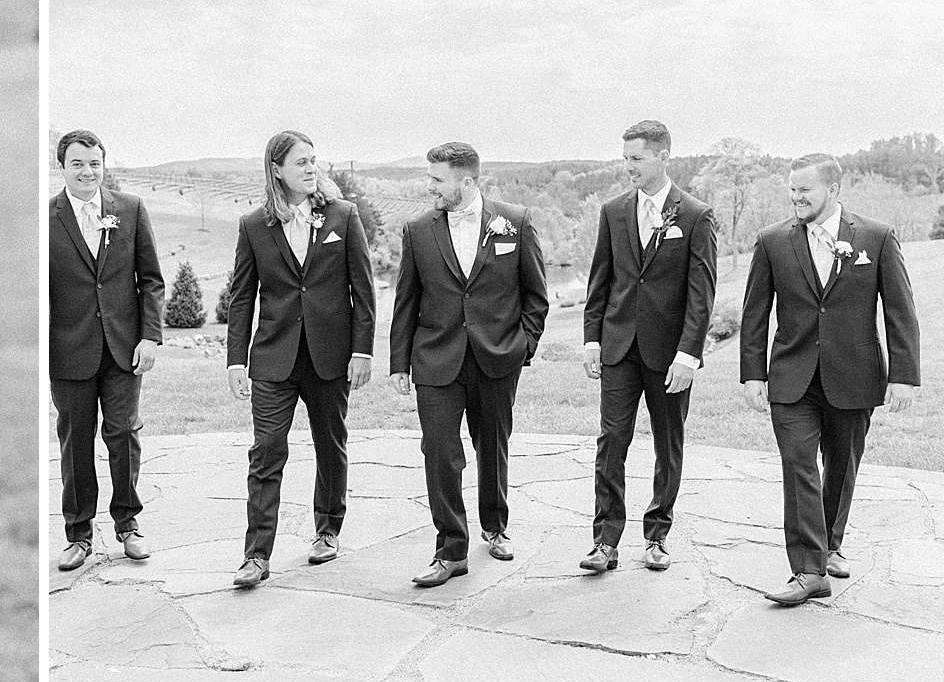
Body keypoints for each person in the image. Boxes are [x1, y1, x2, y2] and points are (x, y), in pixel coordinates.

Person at [741, 153, 920, 606]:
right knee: (798, 466)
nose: (796, 197)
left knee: (840, 467)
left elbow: (900, 310)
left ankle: (829, 545)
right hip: (791, 376)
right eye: (792, 190)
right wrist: (751, 375)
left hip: (854, 374)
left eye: (805, 190)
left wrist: (903, 375)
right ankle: (808, 570)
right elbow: (755, 314)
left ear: (834, 190)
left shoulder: (876, 238)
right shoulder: (772, 241)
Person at [390, 141, 548, 587]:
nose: (430, 187)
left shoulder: (514, 222)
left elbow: (535, 296)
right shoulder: (417, 229)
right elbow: (406, 299)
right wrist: (399, 362)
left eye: (437, 180)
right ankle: (450, 550)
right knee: (440, 451)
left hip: (497, 356)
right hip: (436, 358)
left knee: (492, 445)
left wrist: (523, 347)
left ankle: (495, 525)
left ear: (466, 181)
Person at [225, 131, 375, 588]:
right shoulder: (253, 225)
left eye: (314, 161)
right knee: (266, 451)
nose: (311, 169)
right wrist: (236, 360)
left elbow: (363, 291)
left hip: (330, 357)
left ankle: (327, 530)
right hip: (273, 357)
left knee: (331, 445)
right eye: (300, 163)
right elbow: (241, 298)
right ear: (277, 170)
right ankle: (256, 556)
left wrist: (362, 350)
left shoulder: (342, 217)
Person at [580, 120, 718, 572]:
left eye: (636, 159)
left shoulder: (695, 215)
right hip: (619, 348)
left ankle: (658, 535)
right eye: (625, 160)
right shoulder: (613, 211)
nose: (629, 168)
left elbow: (702, 294)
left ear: (663, 157)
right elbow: (601, 282)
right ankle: (605, 541)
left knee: (668, 444)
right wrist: (591, 340)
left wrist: (688, 354)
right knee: (610, 442)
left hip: (670, 357)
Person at [48, 129, 164, 570]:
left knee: (124, 434)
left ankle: (128, 524)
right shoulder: (49, 215)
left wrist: (150, 336)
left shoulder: (130, 210)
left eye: (94, 163)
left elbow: (150, 279)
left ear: (103, 165)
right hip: (68, 350)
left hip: (124, 348)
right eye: (77, 163)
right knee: (75, 442)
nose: (87, 171)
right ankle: (78, 535)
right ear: (63, 166)